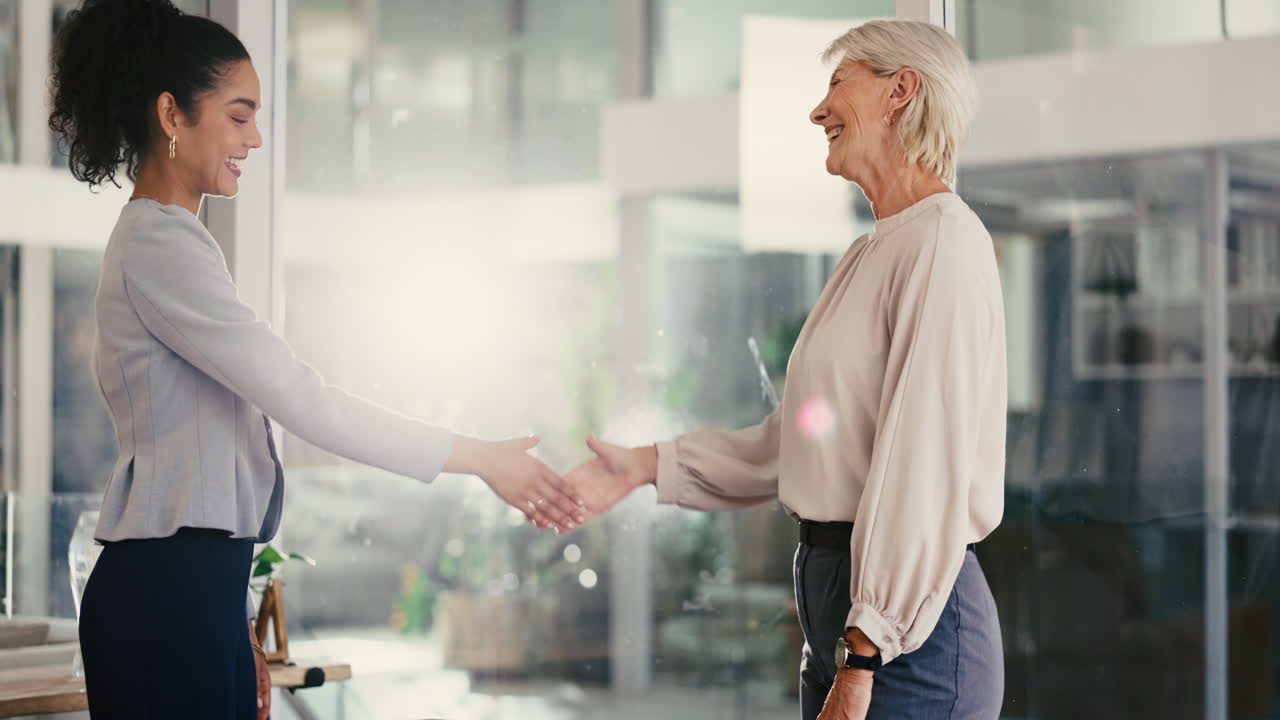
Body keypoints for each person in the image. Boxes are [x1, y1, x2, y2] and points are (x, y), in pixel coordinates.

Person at [48, 1, 587, 717]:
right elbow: (305, 401)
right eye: (238, 116)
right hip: (167, 600)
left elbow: (206, 459)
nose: (256, 137)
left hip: (189, 594)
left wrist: (234, 619)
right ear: (172, 115)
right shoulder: (160, 245)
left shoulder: (171, 242)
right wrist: (480, 456)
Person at [568, 19, 1006, 720]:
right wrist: (647, 464)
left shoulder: (944, 243)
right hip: (845, 612)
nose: (817, 109)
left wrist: (864, 656)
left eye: (838, 83)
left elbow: (924, 464)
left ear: (902, 90)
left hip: (906, 634)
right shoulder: (871, 252)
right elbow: (801, 440)